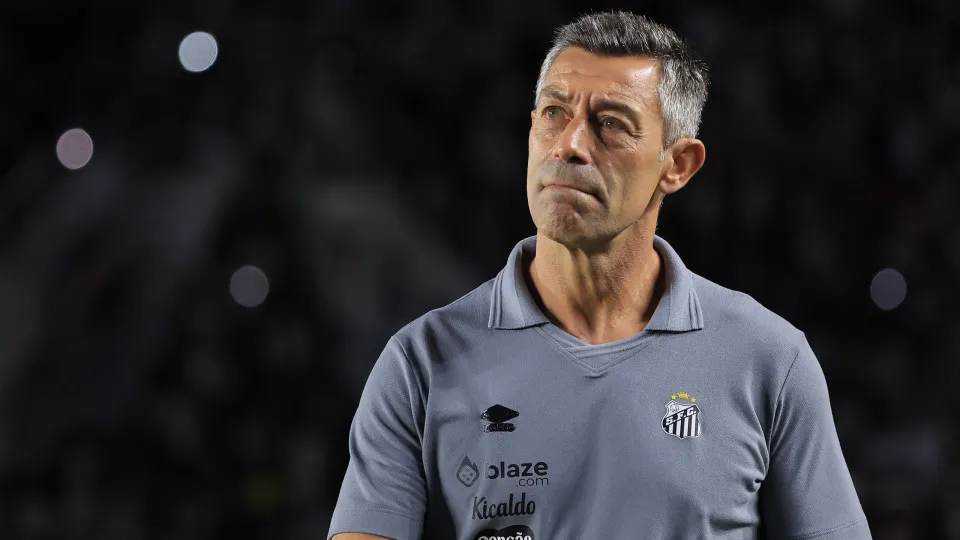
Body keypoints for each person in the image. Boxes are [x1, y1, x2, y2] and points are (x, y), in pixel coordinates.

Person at [328, 10, 871, 540]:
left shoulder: (768, 359)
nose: (570, 144)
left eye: (611, 124)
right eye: (554, 113)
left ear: (677, 164)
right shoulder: (419, 365)